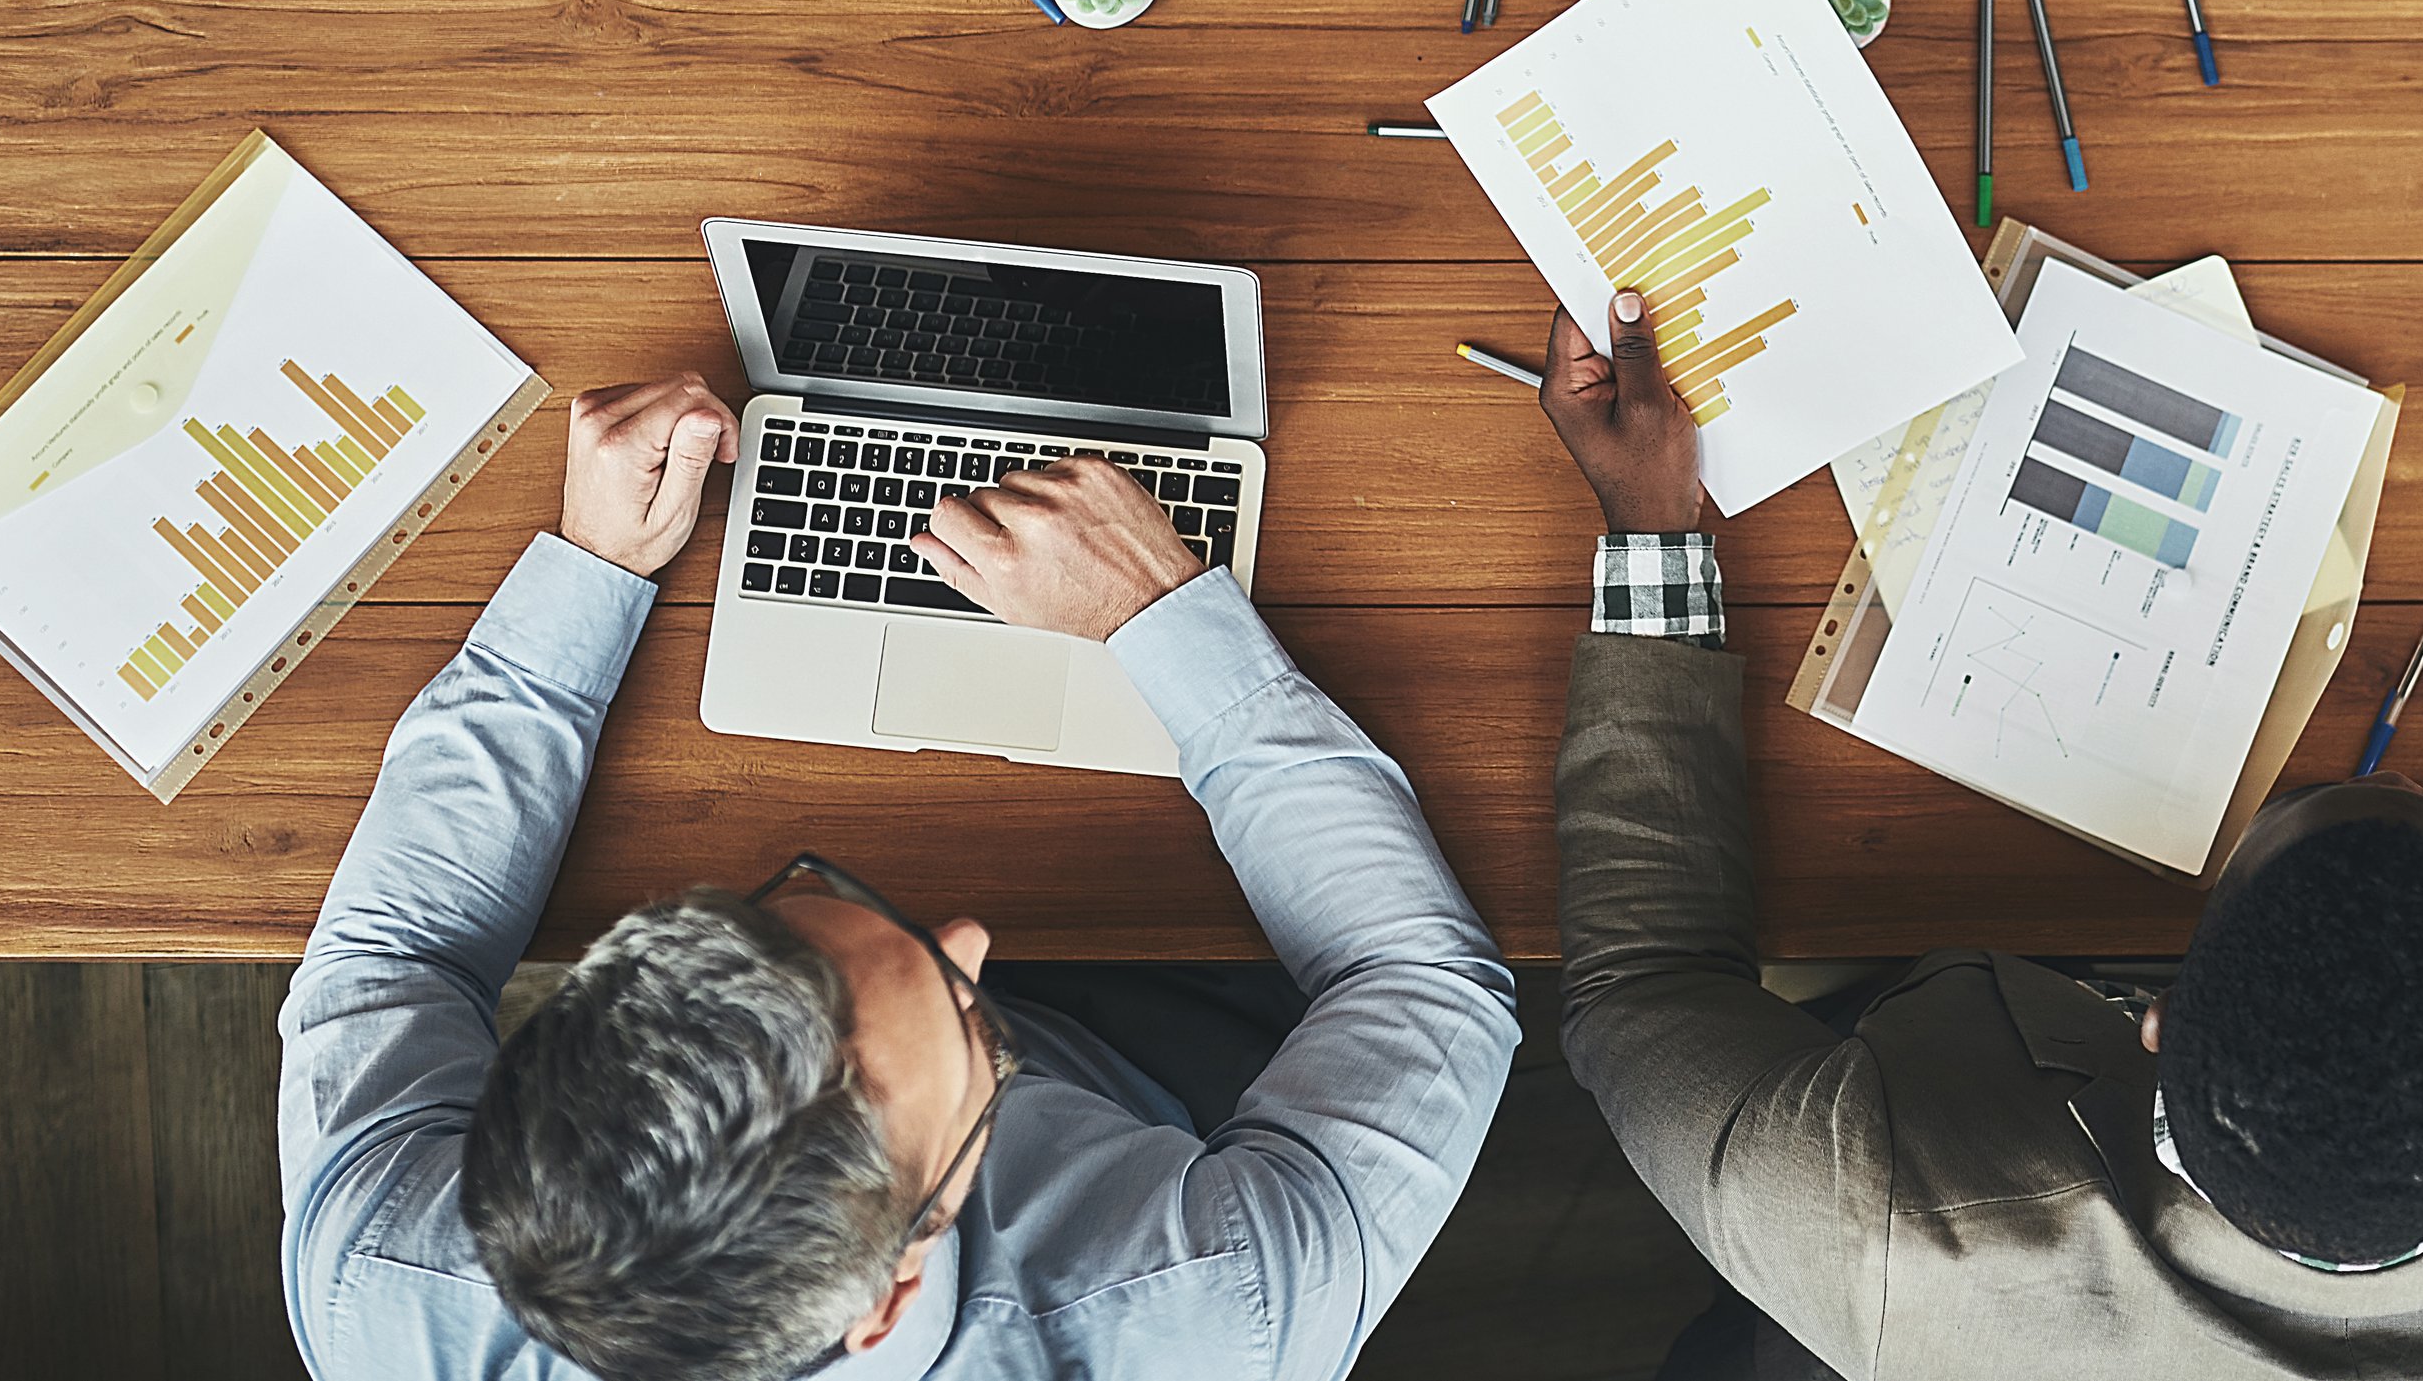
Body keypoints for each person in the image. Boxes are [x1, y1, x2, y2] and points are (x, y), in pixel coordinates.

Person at [1536, 288, 2423, 1375]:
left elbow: (1639, 986)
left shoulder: (1873, 1220)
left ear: (2155, 1024)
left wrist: (1654, 531)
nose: (2409, 782)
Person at [277, 373, 1519, 1380]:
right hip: (1179, 1061)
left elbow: (399, 957)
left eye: (798, 920)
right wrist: (1164, 612)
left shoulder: (383, 1274)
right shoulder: (1199, 1320)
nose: (968, 936)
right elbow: (1421, 981)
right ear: (890, 1299)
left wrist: (589, 572)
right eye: (968, 1036)